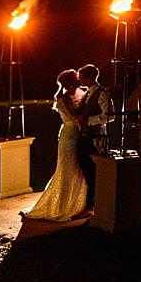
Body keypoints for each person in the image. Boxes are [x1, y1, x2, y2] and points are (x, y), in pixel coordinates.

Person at [24, 69, 88, 221]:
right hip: (69, 136)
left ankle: (80, 204)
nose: (78, 82)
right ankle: (62, 207)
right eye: (75, 79)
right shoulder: (61, 99)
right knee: (67, 170)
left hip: (80, 135)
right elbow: (72, 119)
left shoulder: (83, 93)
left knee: (80, 171)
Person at [75, 64, 116, 211]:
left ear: (89, 77)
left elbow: (109, 117)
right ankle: (89, 201)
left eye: (82, 78)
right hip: (85, 136)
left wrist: (89, 120)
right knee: (86, 170)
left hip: (95, 138)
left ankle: (93, 204)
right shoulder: (87, 93)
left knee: (94, 172)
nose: (79, 81)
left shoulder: (102, 93)